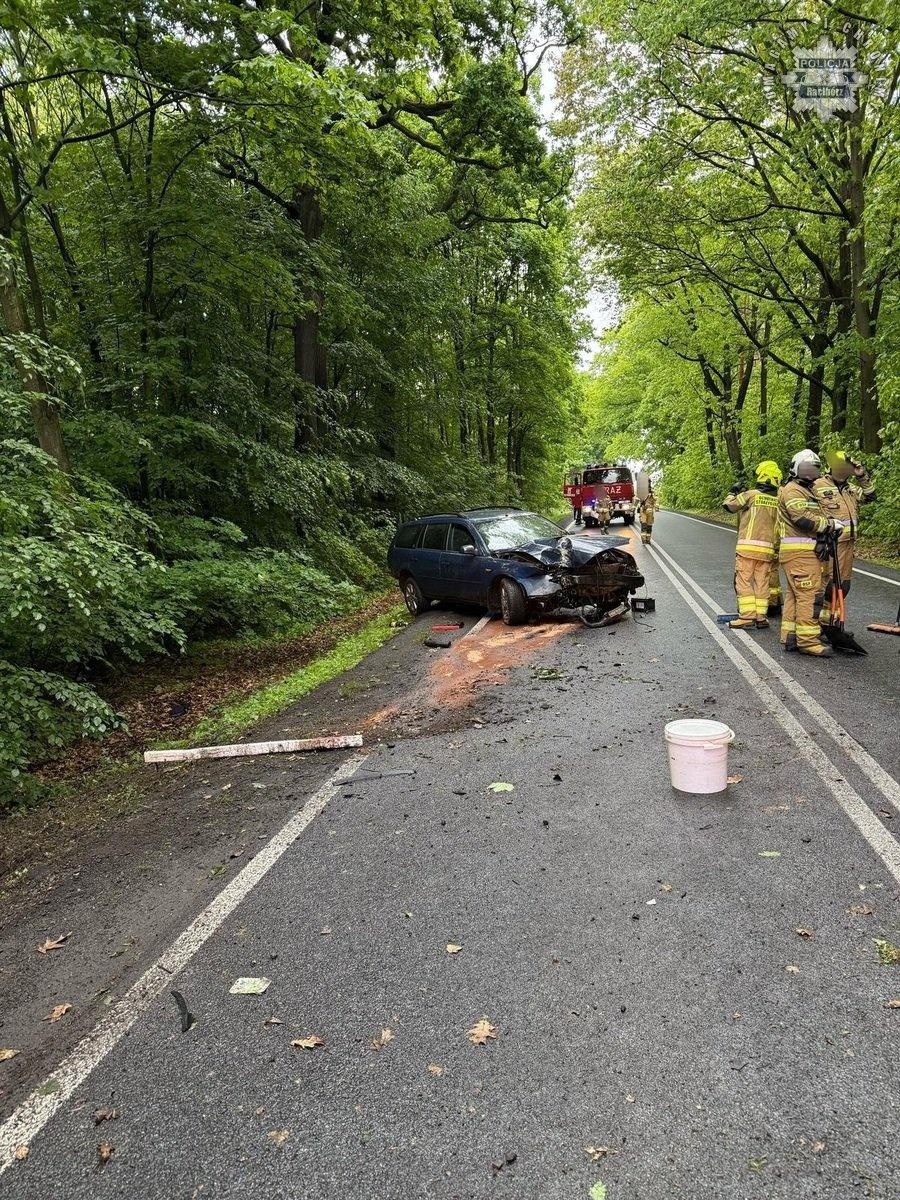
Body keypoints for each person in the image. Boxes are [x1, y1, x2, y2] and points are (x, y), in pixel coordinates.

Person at [778, 449, 839, 657]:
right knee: (808, 596)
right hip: (801, 553)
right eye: (805, 468)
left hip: (801, 553)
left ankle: (790, 636)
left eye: (813, 468)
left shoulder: (807, 490)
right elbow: (802, 519)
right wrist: (829, 525)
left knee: (795, 596)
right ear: (795, 469)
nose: (810, 473)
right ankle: (807, 641)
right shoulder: (794, 490)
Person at [813, 450, 876, 629]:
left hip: (848, 543)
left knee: (843, 585)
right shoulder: (817, 485)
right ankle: (817, 622)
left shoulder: (850, 489)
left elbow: (870, 496)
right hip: (829, 543)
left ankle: (832, 621)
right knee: (826, 583)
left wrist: (862, 476)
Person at [723, 460, 782, 630]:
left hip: (747, 549)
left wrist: (732, 492)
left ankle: (747, 617)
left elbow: (729, 506)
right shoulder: (778, 500)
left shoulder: (751, 495)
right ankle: (761, 617)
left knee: (744, 581)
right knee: (763, 583)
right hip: (768, 551)